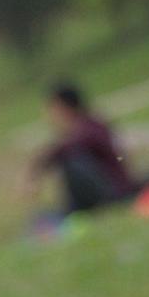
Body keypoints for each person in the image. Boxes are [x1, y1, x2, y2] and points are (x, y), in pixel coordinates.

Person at [30, 83, 137, 216]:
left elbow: (60, 150)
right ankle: (70, 211)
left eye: (51, 108)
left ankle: (74, 211)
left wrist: (34, 174)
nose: (49, 115)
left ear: (62, 106)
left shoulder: (88, 128)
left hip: (115, 193)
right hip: (116, 188)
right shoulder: (89, 124)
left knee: (72, 162)